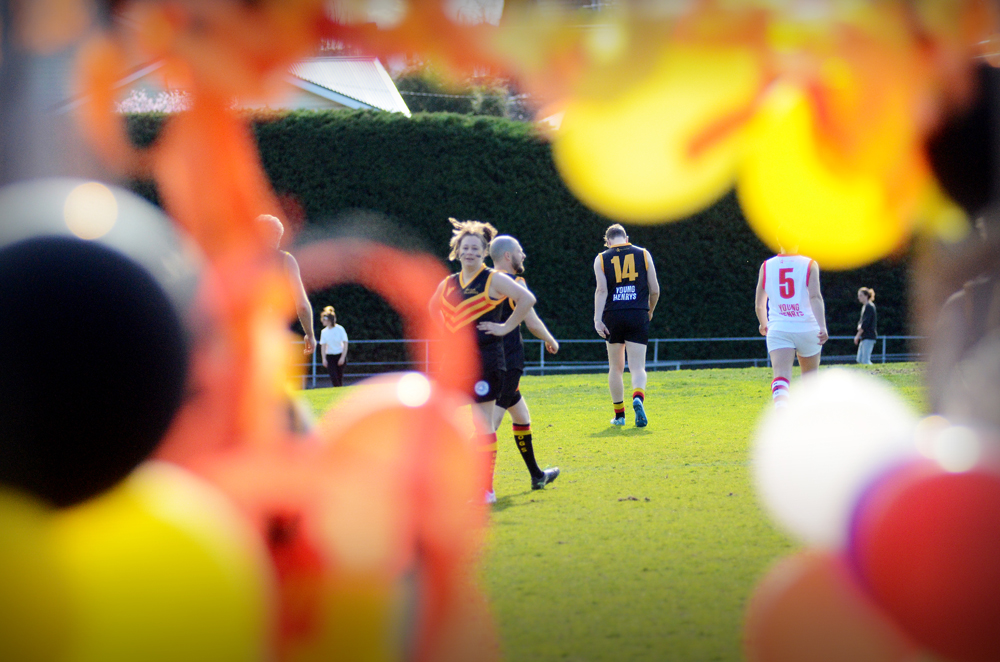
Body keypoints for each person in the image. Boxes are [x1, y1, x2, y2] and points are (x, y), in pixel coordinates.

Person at [430, 218, 537, 504]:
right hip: (455, 364)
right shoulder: (448, 283)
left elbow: (526, 299)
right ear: (457, 250)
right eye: (465, 248)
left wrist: (505, 327)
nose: (470, 252)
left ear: (484, 252)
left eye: (475, 248)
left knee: (482, 425)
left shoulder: (493, 279)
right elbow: (432, 308)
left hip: (487, 362)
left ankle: (485, 490)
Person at [488, 234, 560, 490]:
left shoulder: (485, 283)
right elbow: (532, 322)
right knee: (489, 426)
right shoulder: (515, 283)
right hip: (507, 363)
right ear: (508, 256)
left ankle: (537, 475)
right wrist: (550, 339)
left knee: (520, 415)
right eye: (519, 251)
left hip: (490, 360)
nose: (524, 255)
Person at [593, 223, 660, 427]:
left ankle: (620, 416)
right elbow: (655, 290)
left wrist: (597, 319)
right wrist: (650, 310)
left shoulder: (601, 258)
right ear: (626, 238)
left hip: (613, 315)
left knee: (616, 367)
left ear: (608, 242)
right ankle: (638, 397)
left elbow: (601, 290)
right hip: (638, 313)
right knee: (638, 367)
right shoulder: (644, 254)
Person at [754, 250, 829, 406]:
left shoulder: (767, 266)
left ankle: (781, 409)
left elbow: (760, 304)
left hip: (779, 327)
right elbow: (815, 297)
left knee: (781, 375)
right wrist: (822, 326)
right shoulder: (809, 264)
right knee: (810, 379)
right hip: (807, 327)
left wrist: (763, 323)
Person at [256, 214, 316, 354]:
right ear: (278, 237)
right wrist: (310, 335)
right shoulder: (285, 261)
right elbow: (302, 305)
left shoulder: (239, 260)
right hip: (273, 335)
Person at [319, 306, 349, 387]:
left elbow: (345, 343)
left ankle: (339, 391)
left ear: (328, 320)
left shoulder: (340, 329)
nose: (322, 321)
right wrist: (324, 359)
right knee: (333, 376)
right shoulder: (323, 332)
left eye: (324, 319)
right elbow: (323, 346)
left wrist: (342, 357)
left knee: (339, 377)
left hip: (339, 355)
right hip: (330, 357)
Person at [854, 287, 878, 365]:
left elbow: (865, 323)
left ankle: (874, 371)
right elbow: (861, 322)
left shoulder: (869, 307)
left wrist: (857, 336)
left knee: (865, 360)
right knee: (859, 359)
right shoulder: (865, 307)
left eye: (861, 295)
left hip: (869, 336)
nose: (859, 298)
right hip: (865, 337)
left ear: (866, 296)